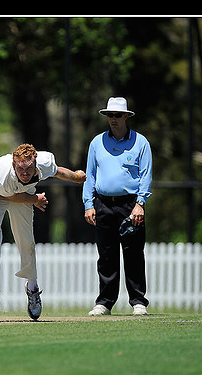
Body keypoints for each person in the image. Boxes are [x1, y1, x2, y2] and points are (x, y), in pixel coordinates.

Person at [0, 143, 86, 320]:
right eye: (20, 169)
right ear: (14, 165)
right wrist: (35, 199)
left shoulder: (44, 162)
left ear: (35, 165)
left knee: (27, 242)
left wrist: (77, 177)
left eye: (29, 169)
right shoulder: (4, 174)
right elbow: (10, 196)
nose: (25, 173)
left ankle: (32, 288)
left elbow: (57, 171)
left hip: (22, 193)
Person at [82, 97, 153, 316]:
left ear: (126, 116)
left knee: (133, 253)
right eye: (109, 115)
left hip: (130, 205)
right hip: (103, 204)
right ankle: (104, 302)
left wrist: (140, 204)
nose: (113, 119)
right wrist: (88, 204)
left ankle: (138, 301)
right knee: (106, 255)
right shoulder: (96, 143)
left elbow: (145, 176)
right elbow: (90, 175)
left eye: (117, 115)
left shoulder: (140, 143)